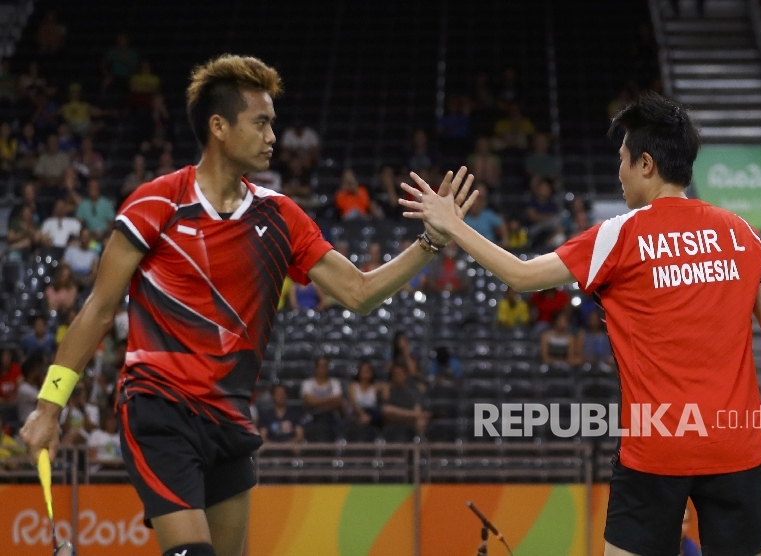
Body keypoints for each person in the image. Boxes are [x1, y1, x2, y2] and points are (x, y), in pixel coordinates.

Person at [19, 53, 477, 556]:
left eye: (271, 124)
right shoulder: (157, 204)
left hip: (229, 418)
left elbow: (359, 293)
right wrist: (49, 408)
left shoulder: (280, 216)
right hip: (158, 409)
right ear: (219, 126)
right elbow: (99, 310)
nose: (272, 137)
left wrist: (430, 242)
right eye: (260, 123)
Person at [400, 90, 761, 556]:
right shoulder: (743, 232)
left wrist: (452, 225)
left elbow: (521, 275)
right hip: (736, 443)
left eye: (622, 158)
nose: (618, 172)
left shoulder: (620, 234)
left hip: (655, 450)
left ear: (646, 164)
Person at [382, 363, 429, 441]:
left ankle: (419, 449)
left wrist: (415, 415)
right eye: (395, 374)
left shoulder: (413, 391)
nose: (398, 376)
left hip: (409, 421)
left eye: (400, 373)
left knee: (420, 421)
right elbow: (386, 410)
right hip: (393, 421)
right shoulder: (388, 390)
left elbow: (417, 407)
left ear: (405, 374)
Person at [301, 357, 343, 442]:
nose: (323, 368)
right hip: (313, 418)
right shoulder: (307, 383)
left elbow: (338, 401)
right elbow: (309, 402)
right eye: (321, 366)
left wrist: (316, 401)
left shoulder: (335, 382)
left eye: (325, 366)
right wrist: (330, 401)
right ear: (316, 368)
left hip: (331, 418)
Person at [348, 361, 384, 440]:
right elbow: (353, 403)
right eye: (364, 370)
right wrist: (362, 414)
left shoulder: (376, 387)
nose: (366, 372)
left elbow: (389, 386)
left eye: (368, 370)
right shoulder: (353, 386)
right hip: (357, 412)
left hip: (372, 413)